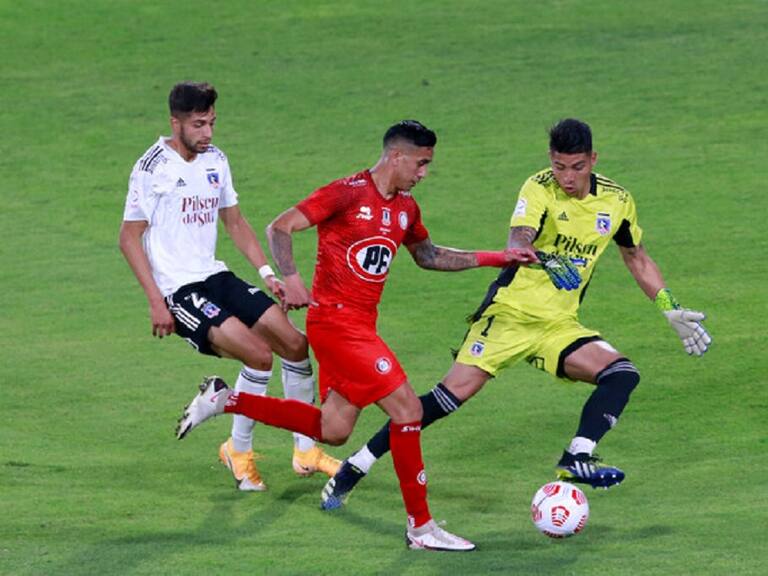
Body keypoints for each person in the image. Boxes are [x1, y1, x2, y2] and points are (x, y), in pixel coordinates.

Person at [175, 120, 538, 551]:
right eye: (420, 164)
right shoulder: (346, 192)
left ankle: (224, 400)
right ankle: (421, 528)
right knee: (407, 410)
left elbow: (430, 255)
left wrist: (498, 258)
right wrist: (290, 278)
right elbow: (280, 227)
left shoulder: (406, 209)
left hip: (361, 326)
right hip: (336, 325)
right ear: (396, 156)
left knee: (334, 428)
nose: (423, 173)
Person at [320, 118, 712, 509]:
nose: (568, 178)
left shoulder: (617, 201)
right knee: (442, 400)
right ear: (550, 160)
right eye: (559, 167)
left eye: (577, 168)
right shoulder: (539, 187)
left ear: (593, 159)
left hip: (558, 324)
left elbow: (637, 258)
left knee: (622, 375)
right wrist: (531, 251)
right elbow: (518, 235)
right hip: (508, 317)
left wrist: (670, 309)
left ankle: (576, 456)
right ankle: (356, 465)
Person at [119, 81, 340, 493]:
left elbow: (234, 222)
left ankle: (305, 448)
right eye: (199, 125)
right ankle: (238, 450)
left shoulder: (215, 160)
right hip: (180, 290)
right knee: (258, 356)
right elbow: (129, 237)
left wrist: (266, 273)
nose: (208, 133)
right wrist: (155, 301)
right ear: (176, 123)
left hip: (215, 276)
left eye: (212, 123)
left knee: (295, 344)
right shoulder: (153, 168)